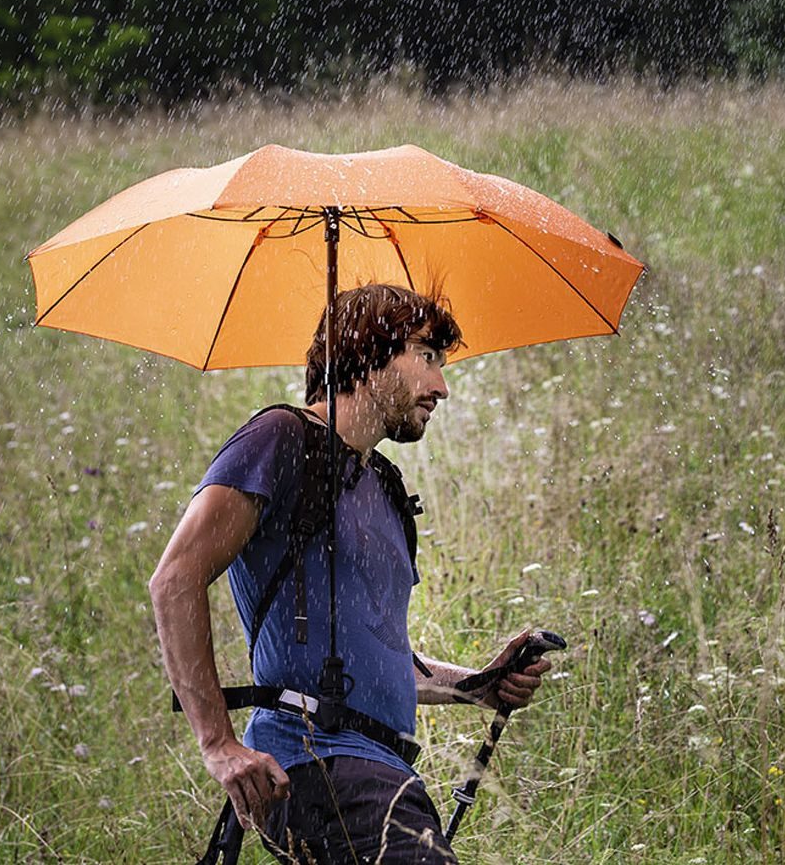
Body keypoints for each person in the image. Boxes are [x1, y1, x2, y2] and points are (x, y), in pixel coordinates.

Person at [149, 284, 553, 863]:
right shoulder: (279, 440)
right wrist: (217, 744)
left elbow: (377, 651)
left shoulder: (384, 485)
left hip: (378, 772)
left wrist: (475, 686)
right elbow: (174, 579)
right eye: (426, 357)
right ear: (367, 354)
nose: (441, 386)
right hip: (316, 762)